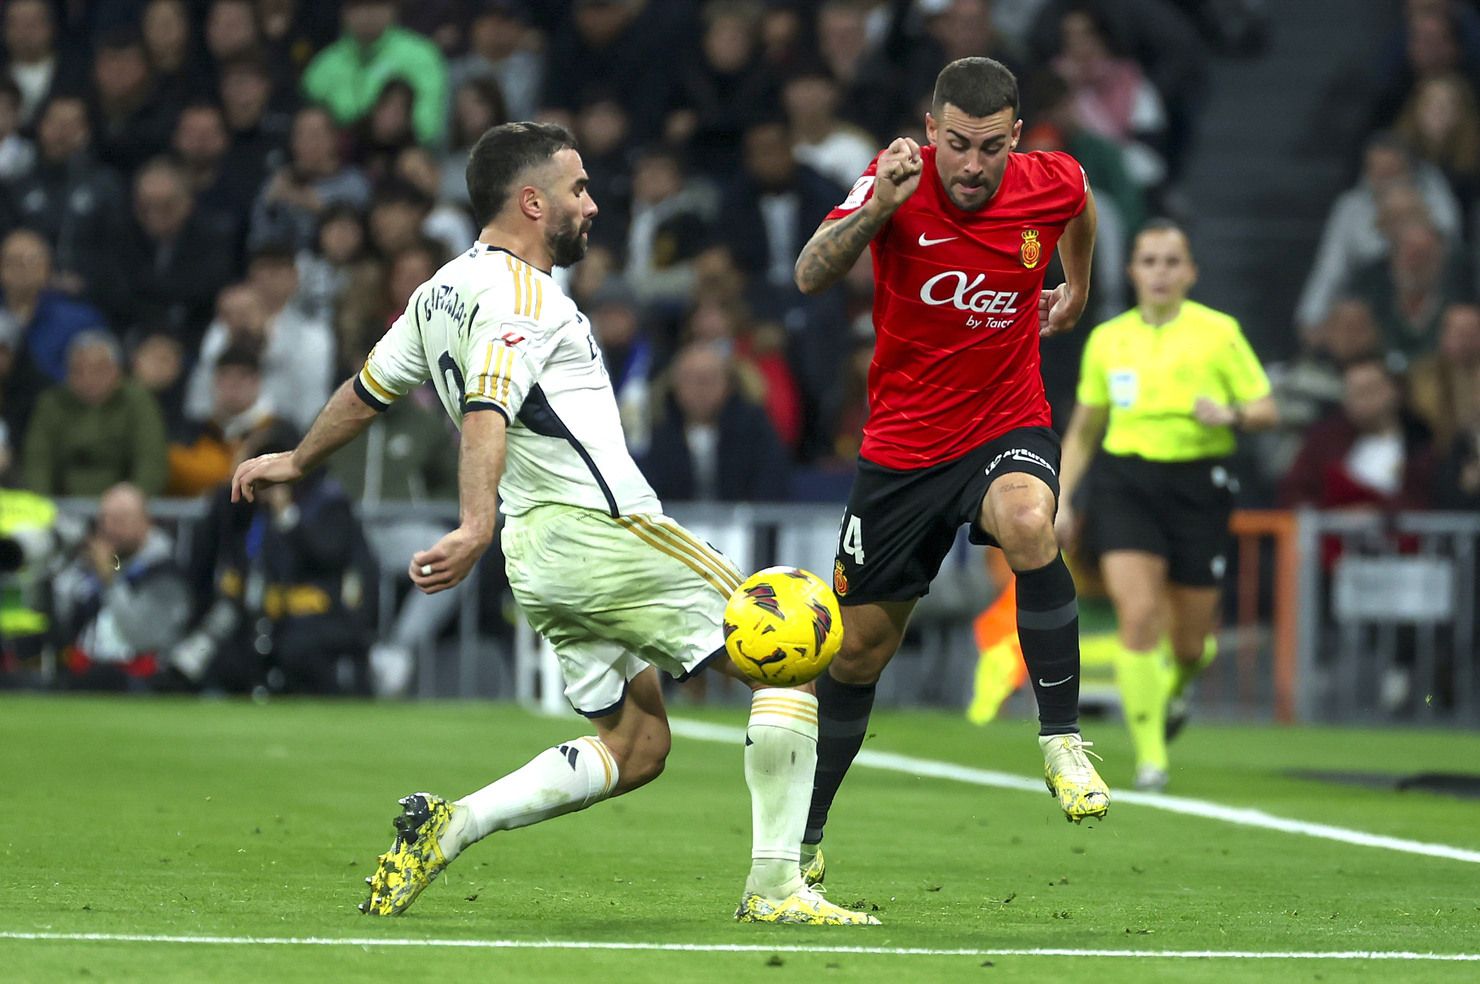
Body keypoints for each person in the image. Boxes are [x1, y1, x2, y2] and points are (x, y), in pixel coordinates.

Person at [231, 121, 876, 926]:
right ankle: (777, 886)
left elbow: (369, 388)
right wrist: (470, 523)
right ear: (532, 202)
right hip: (604, 530)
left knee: (638, 748)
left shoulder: (438, 292)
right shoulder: (523, 296)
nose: (593, 204)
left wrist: (298, 458)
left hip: (538, 556)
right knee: (788, 648)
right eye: (577, 190)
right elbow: (485, 407)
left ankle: (453, 823)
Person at [790, 56, 1108, 889]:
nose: (974, 165)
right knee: (858, 653)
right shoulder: (891, 180)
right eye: (959, 145)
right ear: (931, 132)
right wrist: (879, 210)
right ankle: (806, 833)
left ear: (1016, 138)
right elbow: (810, 271)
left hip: (1006, 420)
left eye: (991, 148)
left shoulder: (1050, 180)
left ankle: (1062, 740)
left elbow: (1080, 205)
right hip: (901, 450)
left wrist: (1074, 290)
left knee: (1031, 521)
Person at [1055, 220, 1277, 791]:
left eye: (1171, 261)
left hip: (1199, 484)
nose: (1160, 272)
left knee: (1191, 643)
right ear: (1132, 271)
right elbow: (1084, 430)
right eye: (1149, 261)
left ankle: (1175, 690)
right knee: (1138, 614)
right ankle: (1151, 758)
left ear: (1190, 273)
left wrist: (1228, 415)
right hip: (1126, 481)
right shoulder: (1109, 339)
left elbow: (1265, 408)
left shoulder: (1218, 333)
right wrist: (1062, 499)